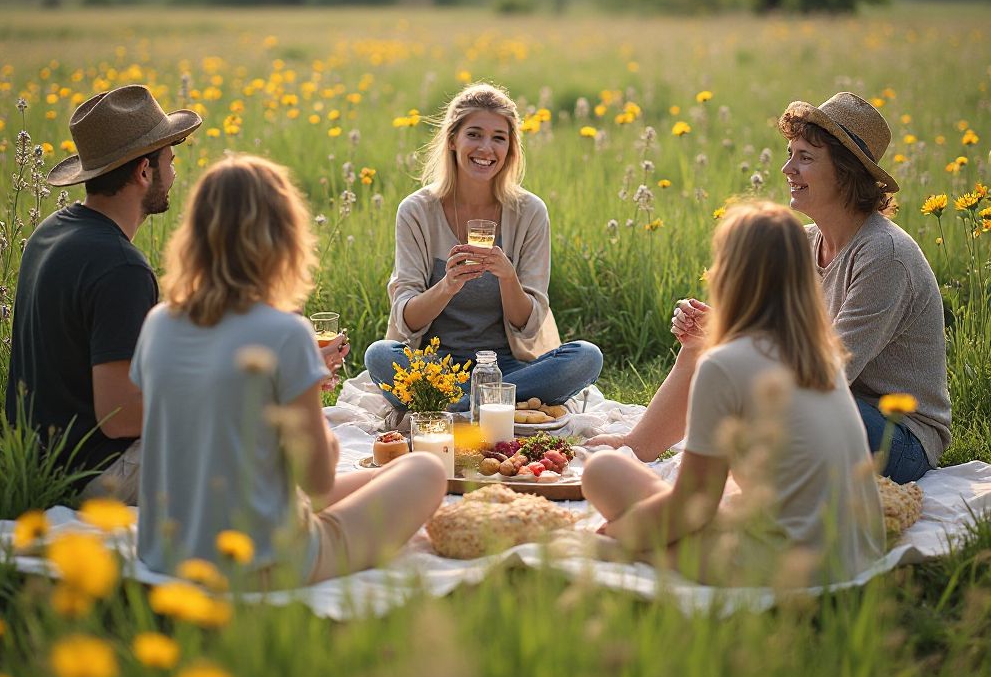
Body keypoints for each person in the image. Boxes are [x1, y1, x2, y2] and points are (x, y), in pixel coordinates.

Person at [588, 92, 950, 485]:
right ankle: (638, 445)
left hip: (897, 434)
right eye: (790, 153)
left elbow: (825, 374)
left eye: (805, 158)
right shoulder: (803, 241)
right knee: (711, 351)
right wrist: (716, 335)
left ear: (846, 173)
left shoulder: (884, 256)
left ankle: (702, 505)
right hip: (828, 406)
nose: (787, 168)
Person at [132, 154, 446, 583]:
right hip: (263, 563)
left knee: (389, 470)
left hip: (163, 553)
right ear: (284, 237)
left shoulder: (158, 323)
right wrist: (309, 395)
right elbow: (317, 479)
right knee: (425, 469)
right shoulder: (285, 332)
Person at [582, 201, 886, 587]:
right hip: (857, 553)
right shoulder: (819, 353)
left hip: (784, 568)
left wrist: (618, 534)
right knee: (634, 480)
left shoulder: (724, 365)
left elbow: (692, 507)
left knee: (602, 472)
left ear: (727, 274)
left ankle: (629, 554)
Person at [6, 85, 201, 504]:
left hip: (40, 462)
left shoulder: (53, 232)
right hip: (94, 475)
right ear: (143, 172)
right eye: (170, 159)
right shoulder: (121, 266)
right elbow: (120, 417)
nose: (175, 171)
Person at [364, 83, 602, 418]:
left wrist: (508, 277)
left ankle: (455, 409)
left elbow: (529, 325)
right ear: (452, 140)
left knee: (587, 357)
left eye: (499, 138)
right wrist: (448, 285)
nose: (486, 148)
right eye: (474, 134)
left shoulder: (530, 212)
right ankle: (489, 406)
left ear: (510, 148)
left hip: (507, 368)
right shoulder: (417, 211)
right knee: (379, 354)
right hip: (436, 368)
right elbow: (406, 320)